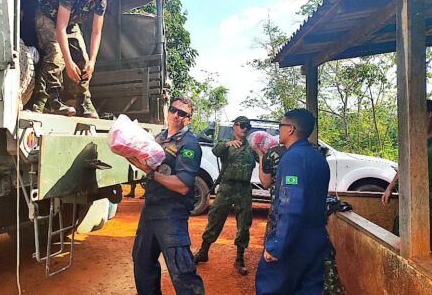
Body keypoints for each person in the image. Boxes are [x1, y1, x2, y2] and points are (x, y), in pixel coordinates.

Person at [127, 96, 205, 295]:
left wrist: (151, 173)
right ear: (168, 111)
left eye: (183, 114)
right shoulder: (159, 138)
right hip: (151, 210)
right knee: (142, 262)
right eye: (173, 110)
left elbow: (182, 185)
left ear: (189, 119)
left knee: (181, 270)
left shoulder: (189, 145)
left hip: (171, 213)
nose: (176, 115)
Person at [255, 109, 330, 295]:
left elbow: (290, 206)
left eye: (281, 126)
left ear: (291, 129)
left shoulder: (293, 158)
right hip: (315, 239)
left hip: (293, 241)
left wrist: (277, 245)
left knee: (270, 288)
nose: (278, 130)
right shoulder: (318, 158)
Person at [32, 0, 108, 117]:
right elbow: (60, 27)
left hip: (70, 23)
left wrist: (92, 61)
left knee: (85, 61)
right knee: (56, 54)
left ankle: (82, 102)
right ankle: (52, 100)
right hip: (47, 16)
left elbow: (96, 32)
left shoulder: (101, 1)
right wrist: (68, 62)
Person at [194, 116, 258, 275]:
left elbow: (263, 160)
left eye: (247, 127)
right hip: (227, 186)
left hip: (243, 189)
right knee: (215, 218)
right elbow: (216, 151)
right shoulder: (226, 144)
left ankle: (239, 259)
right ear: (234, 126)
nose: (245, 128)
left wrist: (260, 150)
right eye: (242, 125)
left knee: (244, 224)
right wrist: (227, 144)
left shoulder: (251, 147)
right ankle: (203, 251)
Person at [382, 99, 432, 262]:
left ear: (429, 115)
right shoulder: (415, 140)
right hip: (410, 196)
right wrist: (391, 186)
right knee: (401, 236)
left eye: (418, 112)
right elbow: (405, 165)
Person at [26, 0, 59, 113]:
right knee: (47, 62)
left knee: (55, 61)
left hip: (51, 41)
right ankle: (39, 102)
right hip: (36, 42)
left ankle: (49, 102)